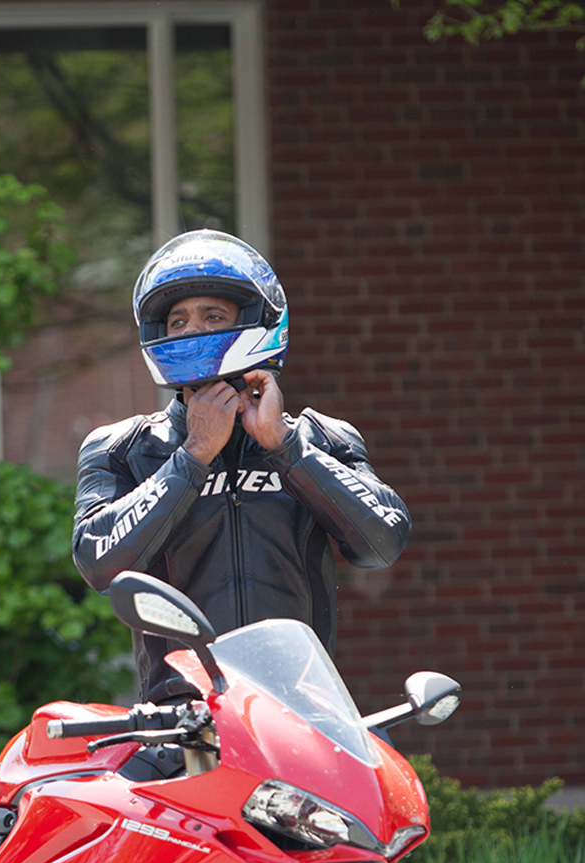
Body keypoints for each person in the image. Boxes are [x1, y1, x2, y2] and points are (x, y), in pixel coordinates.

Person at [72, 230, 411, 704]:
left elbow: (382, 543)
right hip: (182, 725)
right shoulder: (122, 448)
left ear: (253, 321)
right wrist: (193, 456)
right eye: (177, 320)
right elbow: (98, 563)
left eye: (212, 316)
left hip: (301, 714)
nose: (191, 331)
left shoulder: (323, 438)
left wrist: (285, 447)